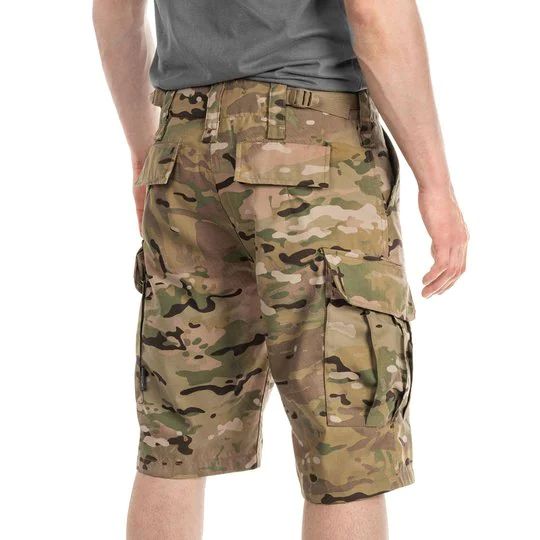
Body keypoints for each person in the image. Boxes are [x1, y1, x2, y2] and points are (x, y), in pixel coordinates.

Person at [93, 1, 468, 538]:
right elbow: (374, 12)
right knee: (345, 447)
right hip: (312, 150)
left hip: (181, 147)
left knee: (175, 435)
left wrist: (142, 148)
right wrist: (435, 182)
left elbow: (115, 11)